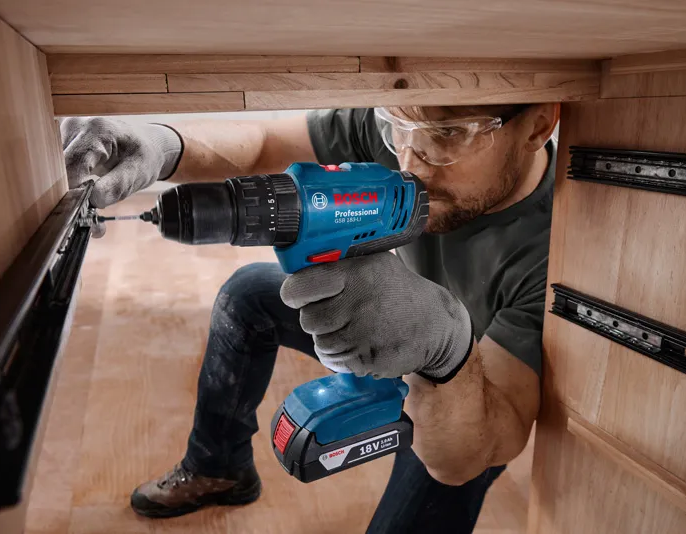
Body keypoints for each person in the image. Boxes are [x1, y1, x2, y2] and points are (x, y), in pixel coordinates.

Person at [61, 102, 559, 533]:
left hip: (459, 394)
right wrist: (165, 146)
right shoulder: (403, 124)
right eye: (398, 127)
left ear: (537, 126)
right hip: (378, 318)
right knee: (247, 294)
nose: (409, 159)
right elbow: (265, 143)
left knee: (449, 471)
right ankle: (219, 467)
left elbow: (492, 438)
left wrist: (444, 350)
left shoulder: (564, 250)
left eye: (448, 135)